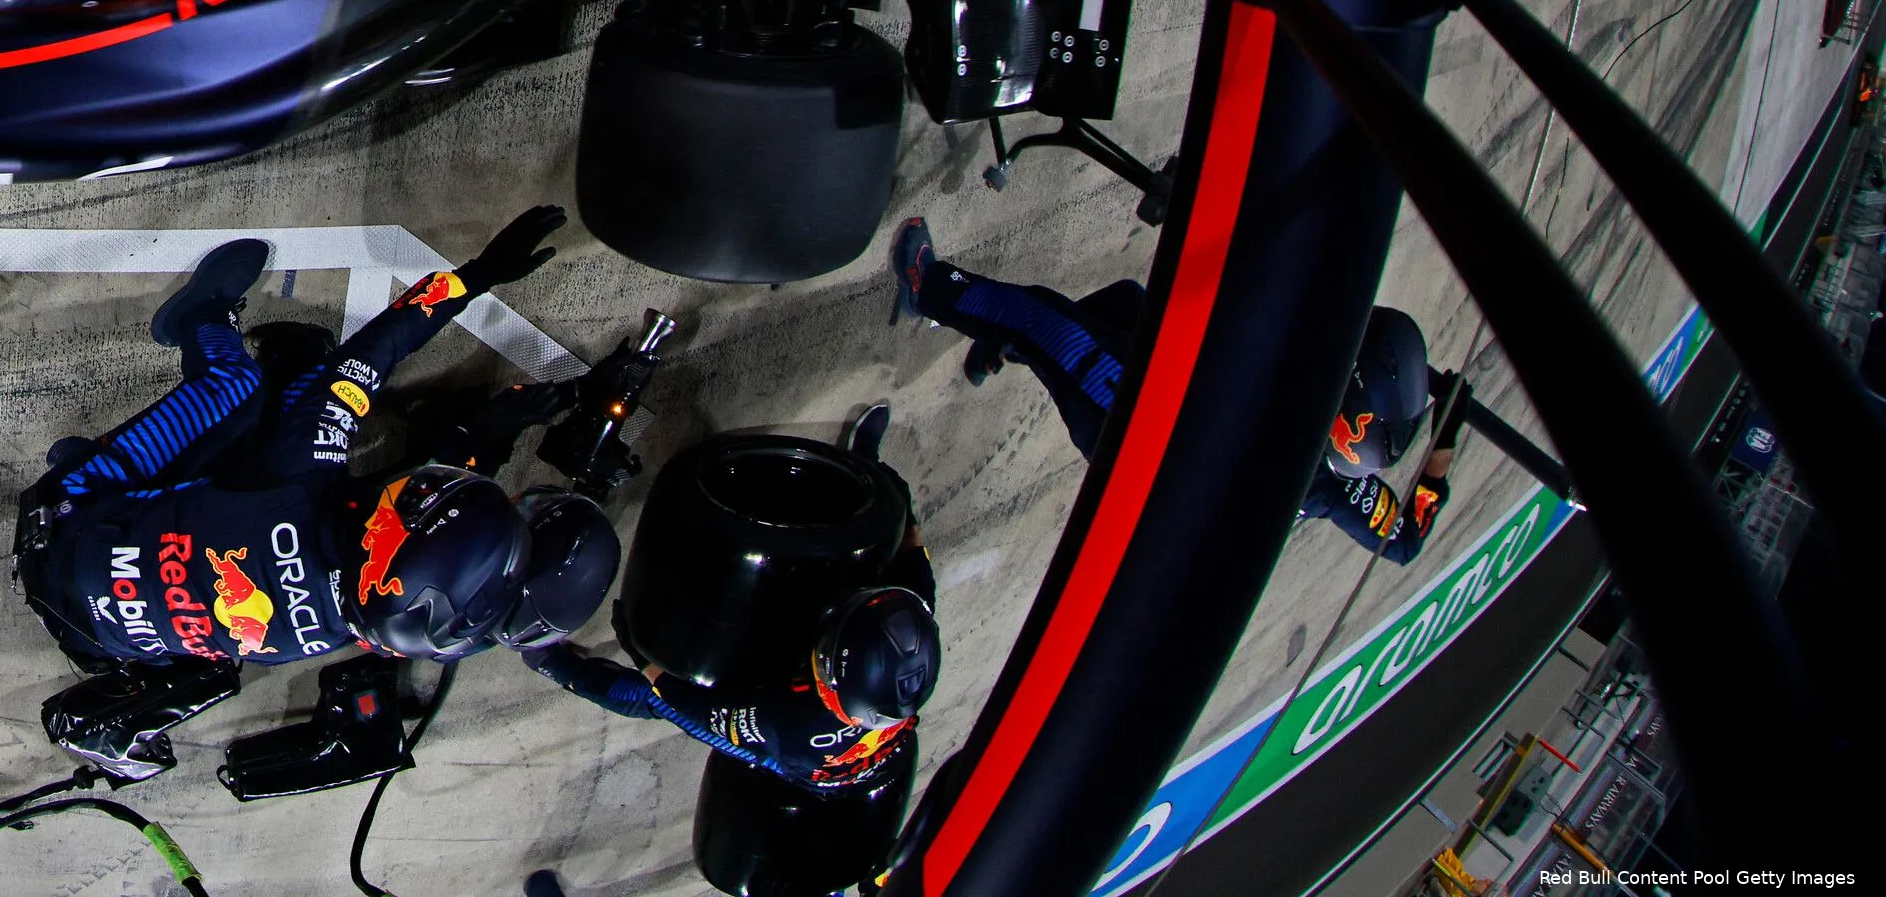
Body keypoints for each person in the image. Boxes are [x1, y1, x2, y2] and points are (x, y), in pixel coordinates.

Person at [13, 209, 570, 782]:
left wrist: (478, 275)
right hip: (96, 643)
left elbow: (376, 352)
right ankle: (212, 422)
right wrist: (490, 431)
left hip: (65, 515)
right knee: (271, 429)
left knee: (237, 388)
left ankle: (197, 319)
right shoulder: (361, 626)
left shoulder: (299, 475)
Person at [891, 220, 1455, 561]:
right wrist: (1445, 432)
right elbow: (1404, 540)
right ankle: (1006, 342)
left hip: (1151, 431)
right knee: (1121, 304)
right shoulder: (1342, 475)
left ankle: (929, 290)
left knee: (1049, 326)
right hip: (1186, 411)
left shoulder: (1308, 451)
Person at [524, 580, 939, 791]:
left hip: (795, 761)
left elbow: (703, 710)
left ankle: (557, 666)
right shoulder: (912, 616)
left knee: (657, 700)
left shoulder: (787, 725)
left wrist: (642, 655)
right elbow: (914, 564)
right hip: (868, 758)